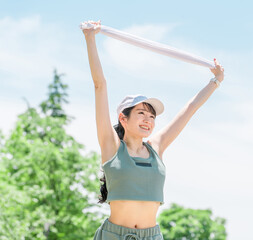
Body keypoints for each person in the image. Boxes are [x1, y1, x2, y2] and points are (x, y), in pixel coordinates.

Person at [82, 20, 224, 240]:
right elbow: (100, 85)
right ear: (123, 118)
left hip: (152, 236)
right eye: (141, 113)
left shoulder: (157, 147)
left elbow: (190, 109)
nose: (148, 120)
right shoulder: (111, 146)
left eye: (152, 116)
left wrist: (215, 80)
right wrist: (90, 38)